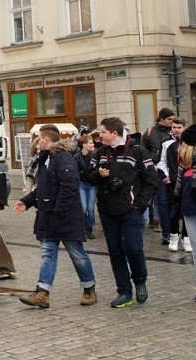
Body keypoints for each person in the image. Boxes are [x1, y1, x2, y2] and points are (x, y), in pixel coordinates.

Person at [15, 128, 97, 308]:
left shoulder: (63, 158)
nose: (37, 143)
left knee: (77, 255)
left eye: (38, 139)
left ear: (45, 139)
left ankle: (89, 288)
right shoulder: (46, 159)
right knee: (48, 254)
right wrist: (26, 201)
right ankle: (42, 293)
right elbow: (42, 189)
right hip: (49, 218)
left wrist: (59, 210)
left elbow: (69, 187)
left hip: (65, 217)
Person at [87, 116, 159, 308]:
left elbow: (152, 181)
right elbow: (88, 177)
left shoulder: (137, 151)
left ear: (114, 133)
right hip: (107, 210)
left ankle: (140, 280)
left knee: (133, 248)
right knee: (116, 251)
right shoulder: (100, 153)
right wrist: (98, 175)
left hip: (131, 210)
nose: (99, 135)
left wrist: (140, 205)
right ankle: (124, 292)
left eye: (102, 132)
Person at [174, 123, 196, 302]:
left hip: (189, 206)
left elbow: (177, 189)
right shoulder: (185, 161)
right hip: (190, 206)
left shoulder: (186, 160)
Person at [158, 118, 190, 251]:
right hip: (172, 183)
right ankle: (174, 236)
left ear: (184, 127)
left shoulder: (190, 142)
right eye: (174, 127)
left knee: (188, 211)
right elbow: (161, 161)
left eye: (179, 127)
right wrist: (166, 177)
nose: (176, 130)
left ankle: (187, 238)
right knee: (173, 211)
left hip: (188, 182)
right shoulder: (167, 143)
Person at [141, 108, 175, 231]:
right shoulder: (150, 132)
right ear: (162, 118)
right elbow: (143, 151)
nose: (172, 122)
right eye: (169, 119)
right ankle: (156, 220)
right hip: (153, 168)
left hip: (169, 169)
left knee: (166, 198)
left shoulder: (173, 132)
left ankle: (165, 222)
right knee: (156, 196)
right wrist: (150, 165)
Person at [74, 132, 98, 239]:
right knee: (83, 208)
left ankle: (89, 229)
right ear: (84, 144)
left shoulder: (94, 156)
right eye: (90, 143)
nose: (93, 145)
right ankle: (83, 228)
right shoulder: (77, 157)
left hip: (92, 185)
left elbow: (97, 170)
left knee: (91, 209)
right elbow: (74, 171)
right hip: (81, 184)